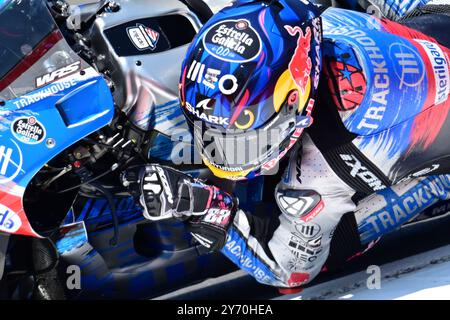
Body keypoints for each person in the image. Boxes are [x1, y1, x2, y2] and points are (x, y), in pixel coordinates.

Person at [123, 0, 450, 291]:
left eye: (242, 141)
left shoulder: (324, 166)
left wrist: (209, 210)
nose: (220, 156)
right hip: (429, 24)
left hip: (423, 151)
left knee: (330, 245)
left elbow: (289, 273)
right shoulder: (306, 21)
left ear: (295, 99)